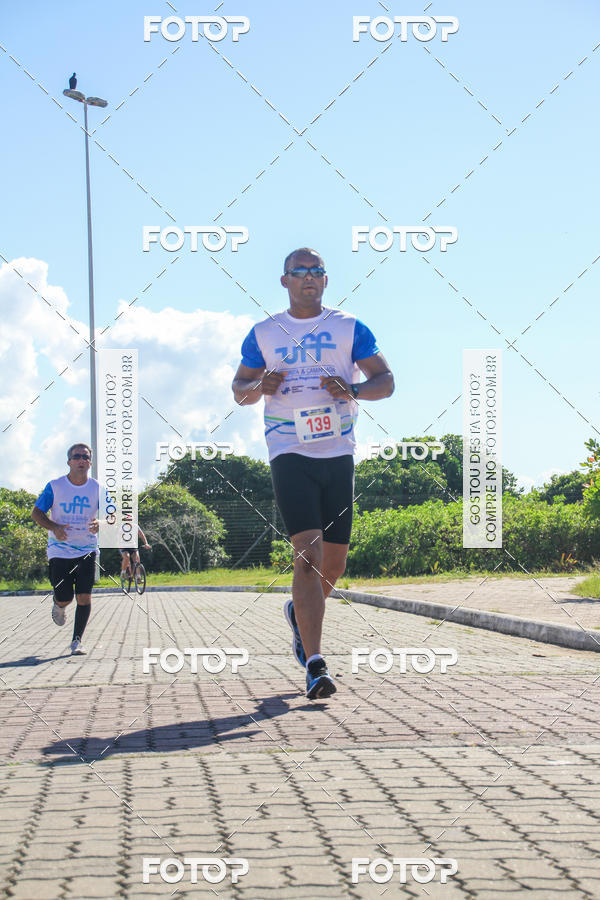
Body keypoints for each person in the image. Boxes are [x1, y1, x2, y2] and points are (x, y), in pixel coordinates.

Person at [232, 248, 394, 699]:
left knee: (335, 562)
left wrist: (355, 388)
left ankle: (299, 613)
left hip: (338, 451)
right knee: (308, 554)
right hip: (288, 451)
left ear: (326, 280)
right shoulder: (264, 333)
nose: (308, 278)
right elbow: (238, 390)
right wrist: (256, 386)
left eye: (316, 271)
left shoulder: (349, 327)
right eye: (299, 272)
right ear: (284, 281)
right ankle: (316, 664)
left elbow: (386, 381)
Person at [31, 443, 100, 656]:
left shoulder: (98, 488)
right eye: (77, 456)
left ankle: (76, 642)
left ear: (90, 462)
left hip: (87, 548)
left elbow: (113, 515)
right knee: (64, 596)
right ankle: (59, 605)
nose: (81, 460)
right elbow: (36, 513)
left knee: (84, 597)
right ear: (69, 461)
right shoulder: (55, 486)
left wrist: (102, 523)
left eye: (85, 457)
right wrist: (54, 527)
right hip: (59, 549)